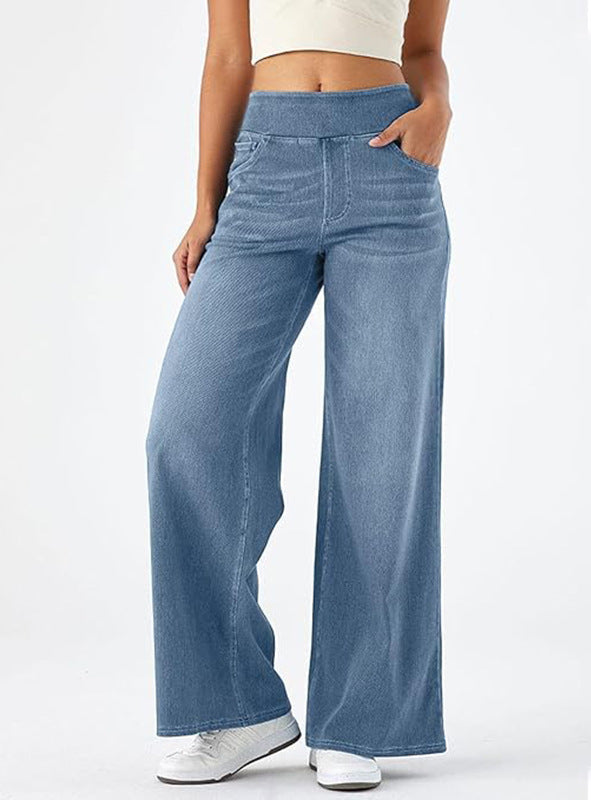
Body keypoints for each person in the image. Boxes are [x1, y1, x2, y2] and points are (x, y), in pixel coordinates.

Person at [146, 0, 452, 789]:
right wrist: (206, 201)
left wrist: (439, 108)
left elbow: (422, 48)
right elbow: (227, 55)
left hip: (389, 169)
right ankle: (236, 706)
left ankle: (358, 717)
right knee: (186, 431)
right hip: (263, 171)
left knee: (381, 450)